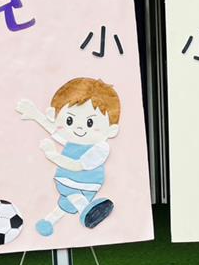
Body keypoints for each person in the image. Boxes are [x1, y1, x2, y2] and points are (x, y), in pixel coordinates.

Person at [15, 77, 120, 237]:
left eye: (90, 123)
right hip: (65, 182)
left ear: (111, 130)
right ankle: (49, 221)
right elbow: (55, 130)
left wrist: (52, 155)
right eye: (69, 120)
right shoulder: (74, 141)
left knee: (75, 197)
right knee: (66, 202)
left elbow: (77, 166)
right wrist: (36, 115)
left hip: (84, 184)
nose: (79, 128)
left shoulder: (99, 148)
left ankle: (90, 212)